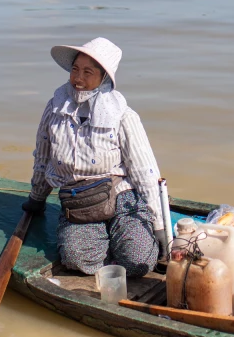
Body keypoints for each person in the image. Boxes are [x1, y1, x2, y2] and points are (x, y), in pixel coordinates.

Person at [22, 37, 167, 277]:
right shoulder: (55, 109)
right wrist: (37, 199)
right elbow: (43, 157)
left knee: (137, 262)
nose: (78, 79)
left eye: (88, 72)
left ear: (104, 79)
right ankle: (102, 241)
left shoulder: (123, 116)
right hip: (79, 198)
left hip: (122, 193)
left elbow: (145, 171)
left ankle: (124, 236)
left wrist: (159, 224)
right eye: (75, 70)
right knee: (79, 261)